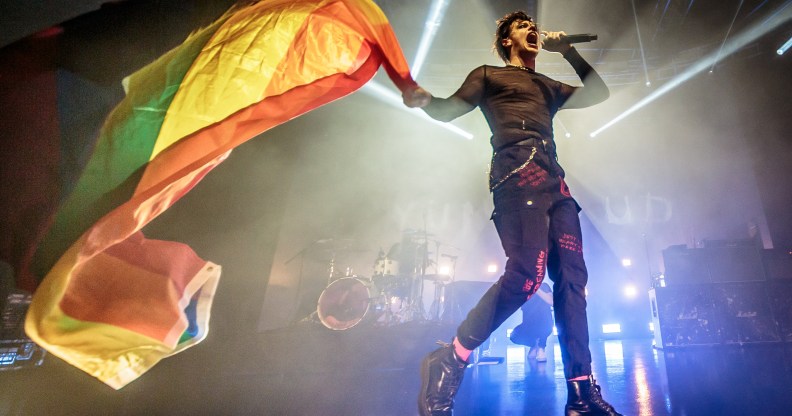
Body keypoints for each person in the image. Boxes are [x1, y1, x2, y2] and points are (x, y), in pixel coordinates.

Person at [402, 10, 622, 416]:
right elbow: (450, 109)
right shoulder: (489, 75)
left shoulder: (546, 84)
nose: (532, 30)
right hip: (517, 178)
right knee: (526, 275)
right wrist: (426, 101)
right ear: (507, 40)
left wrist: (569, 52)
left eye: (533, 27)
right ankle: (452, 356)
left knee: (573, 282)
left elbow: (598, 93)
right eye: (523, 27)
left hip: (556, 186)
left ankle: (580, 392)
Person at [510, 281, 554, 362]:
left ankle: (541, 347)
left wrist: (536, 289)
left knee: (543, 324)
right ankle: (534, 345)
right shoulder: (524, 287)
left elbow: (551, 301)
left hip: (544, 320)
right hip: (528, 323)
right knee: (514, 336)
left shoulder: (544, 286)